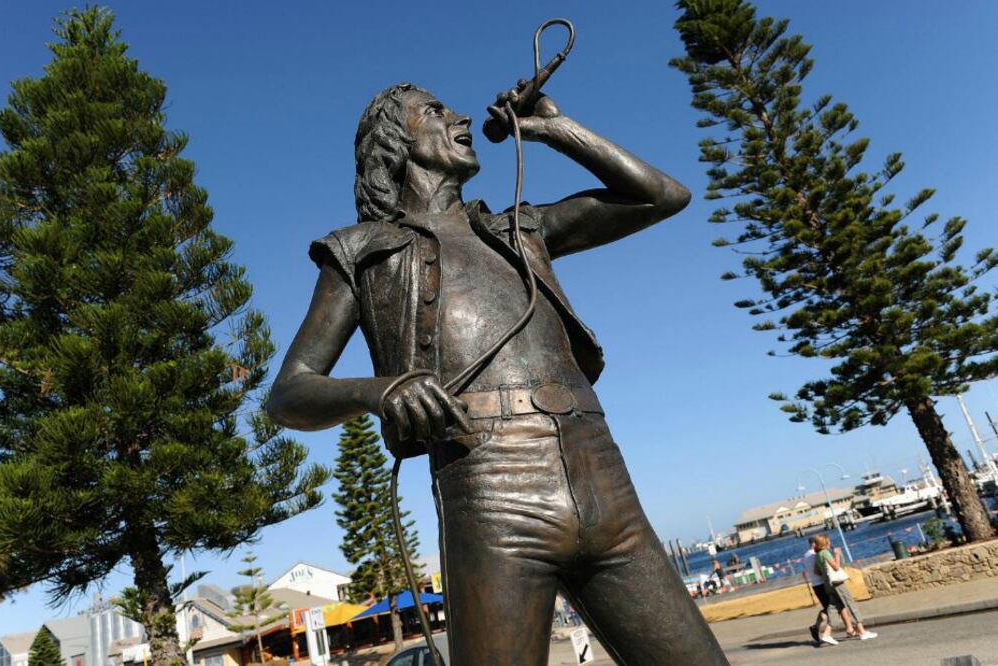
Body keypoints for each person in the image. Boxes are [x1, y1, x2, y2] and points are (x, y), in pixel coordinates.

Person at [267, 82, 727, 666]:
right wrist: (380, 391)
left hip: (603, 481)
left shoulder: (520, 230)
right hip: (490, 493)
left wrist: (554, 129)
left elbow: (661, 196)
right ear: (396, 141)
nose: (458, 115)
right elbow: (289, 392)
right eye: (434, 110)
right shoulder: (360, 251)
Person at [813, 533, 878, 641]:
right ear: (825, 543)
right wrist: (837, 555)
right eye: (828, 541)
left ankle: (827, 634)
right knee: (851, 604)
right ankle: (862, 632)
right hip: (837, 584)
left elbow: (816, 571)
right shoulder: (825, 553)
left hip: (828, 585)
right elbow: (836, 567)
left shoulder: (817, 555)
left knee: (833, 608)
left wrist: (825, 573)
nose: (830, 542)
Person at [802, 536, 837, 645]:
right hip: (822, 584)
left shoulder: (805, 555)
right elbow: (820, 569)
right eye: (817, 542)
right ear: (814, 543)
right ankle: (825, 633)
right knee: (832, 608)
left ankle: (815, 627)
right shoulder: (814, 555)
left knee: (827, 609)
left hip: (815, 585)